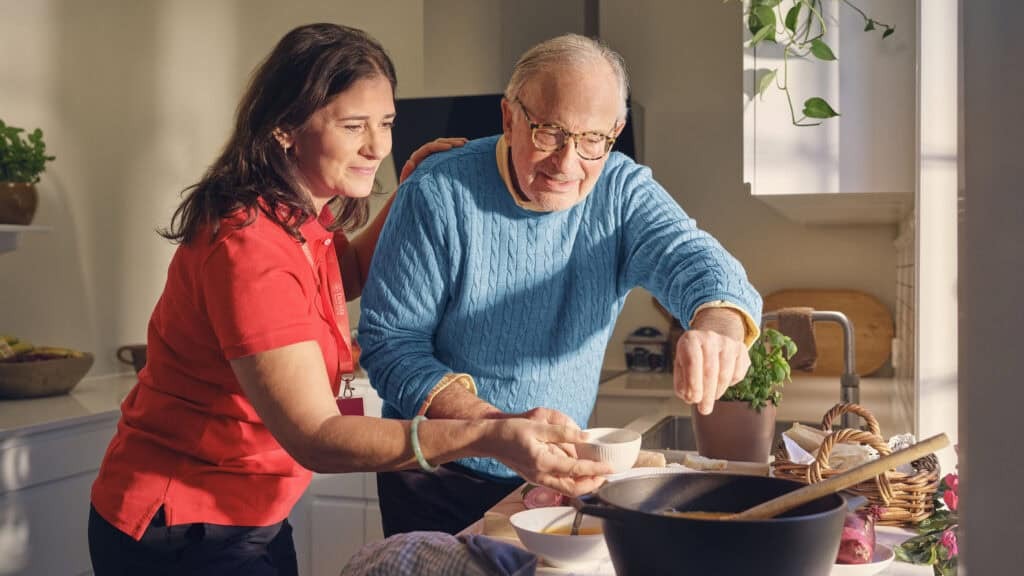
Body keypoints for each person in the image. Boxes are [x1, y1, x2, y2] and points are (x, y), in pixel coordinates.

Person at [87, 23, 611, 576]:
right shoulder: (248, 247)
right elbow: (317, 436)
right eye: (353, 125)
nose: (377, 146)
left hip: (252, 514)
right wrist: (489, 434)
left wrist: (406, 191)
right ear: (285, 128)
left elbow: (341, 274)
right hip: (182, 526)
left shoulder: (293, 218)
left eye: (386, 122)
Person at [358, 33, 764, 536]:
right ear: (509, 118)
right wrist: (494, 428)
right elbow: (391, 346)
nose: (567, 163)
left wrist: (717, 325)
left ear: (614, 131)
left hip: (549, 480)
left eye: (593, 139)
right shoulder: (436, 193)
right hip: (434, 477)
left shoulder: (621, 190)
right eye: (549, 132)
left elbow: (699, 261)